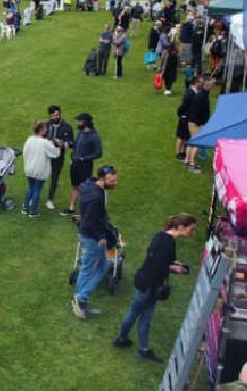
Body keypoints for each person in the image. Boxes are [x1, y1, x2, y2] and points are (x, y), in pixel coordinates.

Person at [113, 214, 194, 362]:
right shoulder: (168, 242)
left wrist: (173, 263)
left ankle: (130, 343)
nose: (192, 231)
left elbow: (156, 257)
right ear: (181, 226)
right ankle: (130, 344)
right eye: (191, 228)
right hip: (149, 285)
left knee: (140, 314)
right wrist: (175, 269)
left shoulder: (161, 235)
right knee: (139, 315)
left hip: (145, 281)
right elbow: (158, 265)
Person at [71, 165, 119, 320]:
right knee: (92, 268)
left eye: (116, 180)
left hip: (89, 236)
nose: (115, 183)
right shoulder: (95, 197)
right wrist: (100, 237)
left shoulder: (89, 185)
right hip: (92, 239)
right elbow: (89, 222)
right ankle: (81, 299)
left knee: (97, 267)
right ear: (102, 179)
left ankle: (80, 300)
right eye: (112, 180)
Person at [62, 113, 103, 218]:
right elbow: (76, 145)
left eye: (79, 121)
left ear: (86, 122)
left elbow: (98, 153)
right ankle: (71, 209)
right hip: (74, 164)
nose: (77, 123)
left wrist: (83, 158)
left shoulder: (94, 136)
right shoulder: (80, 132)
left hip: (85, 167)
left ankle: (84, 212)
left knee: (84, 188)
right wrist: (67, 144)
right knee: (75, 186)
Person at [22, 121, 60, 218]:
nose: (46, 130)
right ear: (41, 130)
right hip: (39, 170)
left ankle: (25, 208)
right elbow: (55, 154)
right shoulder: (45, 142)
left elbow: (25, 152)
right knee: (37, 190)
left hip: (29, 168)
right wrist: (58, 145)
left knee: (30, 188)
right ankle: (33, 212)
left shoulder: (29, 139)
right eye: (45, 128)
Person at [45, 106, 74, 211]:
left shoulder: (67, 127)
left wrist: (63, 144)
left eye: (57, 114)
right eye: (53, 115)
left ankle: (49, 199)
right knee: (40, 176)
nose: (56, 117)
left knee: (54, 177)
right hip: (45, 156)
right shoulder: (46, 125)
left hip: (58, 156)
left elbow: (72, 143)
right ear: (49, 115)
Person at [184, 76, 213, 174]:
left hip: (193, 122)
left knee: (191, 142)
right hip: (196, 123)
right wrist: (200, 123)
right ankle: (192, 164)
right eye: (211, 85)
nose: (212, 87)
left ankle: (187, 161)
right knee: (196, 143)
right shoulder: (201, 96)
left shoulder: (202, 95)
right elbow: (196, 111)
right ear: (206, 85)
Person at [176, 75, 203, 161]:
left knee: (186, 136)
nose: (202, 84)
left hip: (189, 117)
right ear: (196, 82)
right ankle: (178, 153)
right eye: (201, 82)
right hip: (185, 116)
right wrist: (182, 114)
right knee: (181, 136)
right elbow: (183, 105)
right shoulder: (190, 92)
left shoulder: (195, 92)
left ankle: (183, 152)